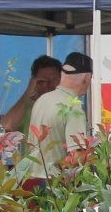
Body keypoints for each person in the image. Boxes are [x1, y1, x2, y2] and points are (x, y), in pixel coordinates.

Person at [27, 50, 93, 179]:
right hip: (56, 186)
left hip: (33, 181)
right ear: (86, 78)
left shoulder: (42, 100)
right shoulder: (73, 108)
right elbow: (77, 157)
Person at [0, 55, 62, 135]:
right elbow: (7, 126)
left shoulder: (67, 104)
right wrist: (29, 91)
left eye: (54, 79)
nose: (50, 84)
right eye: (44, 80)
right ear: (35, 81)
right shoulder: (26, 105)